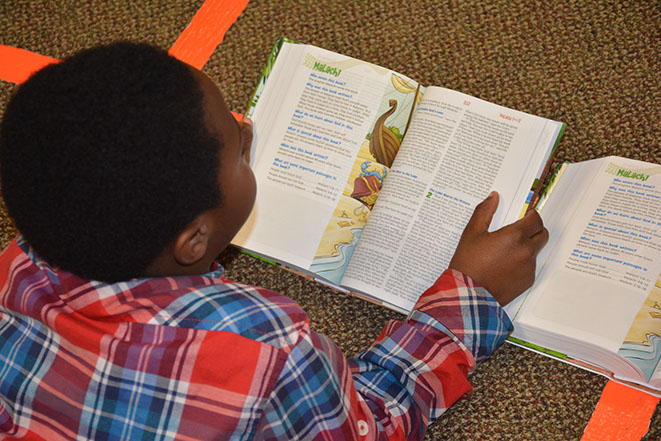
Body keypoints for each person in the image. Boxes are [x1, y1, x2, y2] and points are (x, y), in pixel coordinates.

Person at [0, 42, 548, 440]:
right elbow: (369, 427)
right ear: (194, 240)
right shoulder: (263, 345)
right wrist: (465, 298)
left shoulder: (16, 265)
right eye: (239, 149)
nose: (246, 127)